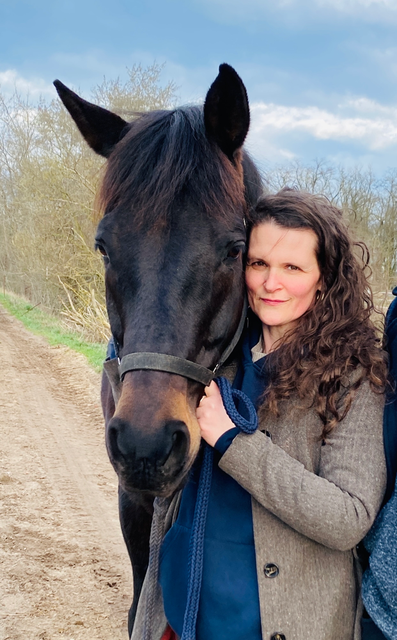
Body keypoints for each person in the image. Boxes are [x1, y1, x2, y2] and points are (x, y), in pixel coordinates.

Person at [131, 188, 387, 640]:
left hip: (279, 626)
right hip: (181, 618)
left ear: (323, 278)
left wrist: (234, 442)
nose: (272, 283)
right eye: (258, 263)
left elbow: (349, 517)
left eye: (293, 267)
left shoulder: (352, 375)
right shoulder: (212, 356)